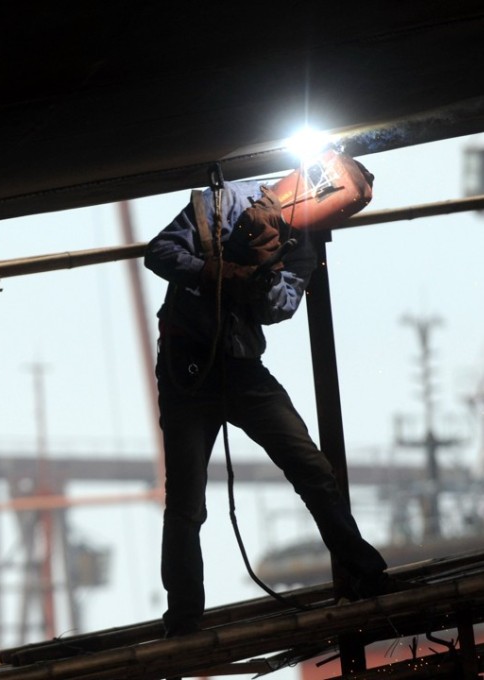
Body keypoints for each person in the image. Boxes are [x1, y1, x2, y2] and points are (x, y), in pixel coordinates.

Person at [142, 172, 403, 638]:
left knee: (312, 469)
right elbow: (159, 253)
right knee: (186, 502)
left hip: (241, 368)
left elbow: (279, 307)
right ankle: (183, 620)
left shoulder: (301, 242)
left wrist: (260, 275)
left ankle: (366, 573)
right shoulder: (219, 205)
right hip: (188, 370)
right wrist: (218, 268)